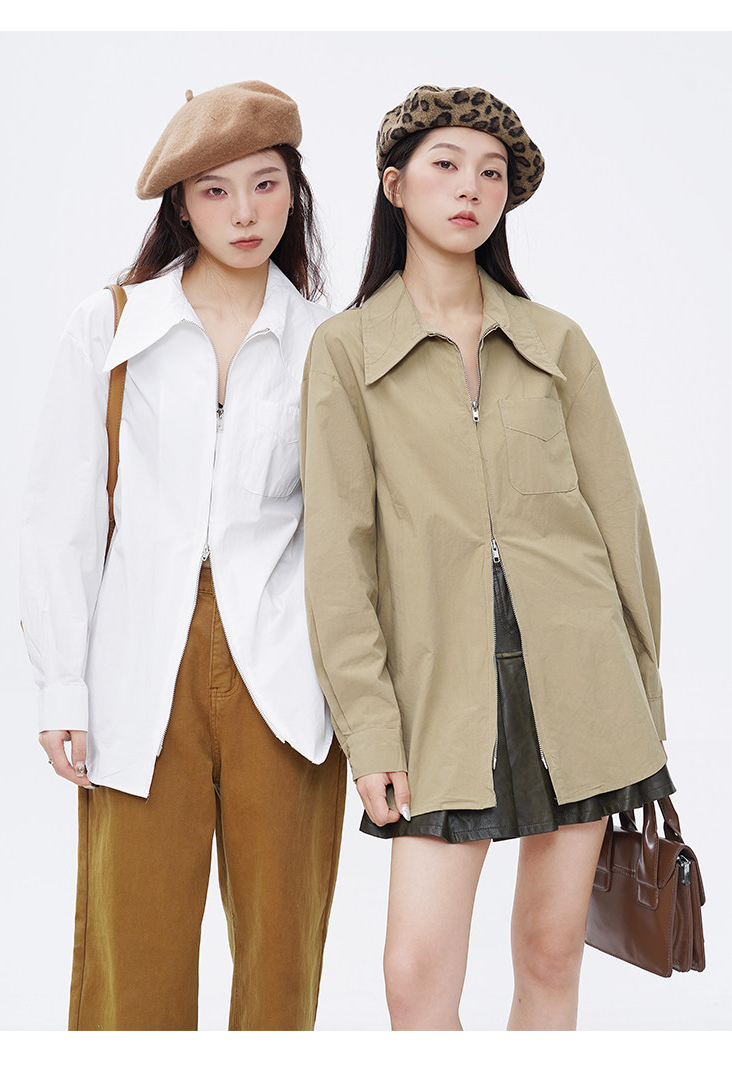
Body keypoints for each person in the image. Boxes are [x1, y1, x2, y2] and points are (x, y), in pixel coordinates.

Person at [299, 84, 674, 1031]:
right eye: (446, 165)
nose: (471, 187)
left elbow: (622, 528)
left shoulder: (556, 344)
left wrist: (644, 702)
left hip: (582, 681)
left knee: (550, 951)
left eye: (492, 173)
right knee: (415, 976)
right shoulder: (346, 352)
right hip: (437, 696)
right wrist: (371, 732)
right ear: (395, 187)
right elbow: (339, 560)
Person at [20, 80, 347, 1031]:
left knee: (281, 971)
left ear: (295, 192)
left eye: (265, 184)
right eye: (215, 190)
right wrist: (62, 685)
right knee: (134, 966)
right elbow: (60, 516)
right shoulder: (112, 326)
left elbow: (347, 533)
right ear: (181, 204)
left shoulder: (327, 345)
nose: (244, 213)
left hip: (285, 675)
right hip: (138, 670)